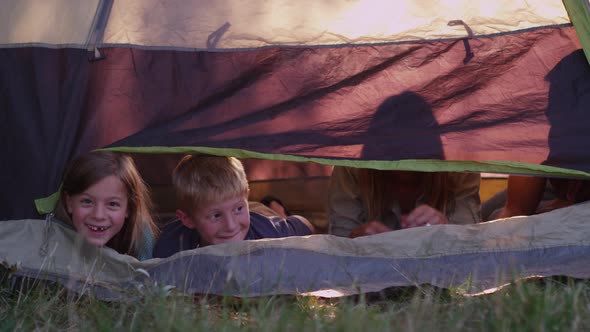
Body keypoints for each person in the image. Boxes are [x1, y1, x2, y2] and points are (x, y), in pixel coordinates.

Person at [152, 154, 315, 258]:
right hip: (248, 210)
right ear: (188, 220)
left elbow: (304, 225)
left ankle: (275, 206)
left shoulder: (270, 232)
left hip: (259, 213)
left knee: (267, 213)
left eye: (238, 208)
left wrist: (283, 220)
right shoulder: (171, 245)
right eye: (216, 216)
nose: (230, 226)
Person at [53, 150, 159, 260]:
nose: (98, 215)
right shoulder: (52, 236)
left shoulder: (141, 236)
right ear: (69, 203)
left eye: (112, 204)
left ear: (129, 208)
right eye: (87, 201)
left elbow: (147, 275)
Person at [328, 167, 481, 238]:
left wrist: (446, 229)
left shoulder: (459, 168)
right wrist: (356, 238)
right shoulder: (352, 167)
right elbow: (338, 241)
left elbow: (471, 242)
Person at [486, 175, 590, 220]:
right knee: (487, 211)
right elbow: (516, 209)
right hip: (559, 182)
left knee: (496, 217)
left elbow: (516, 212)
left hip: (580, 194)